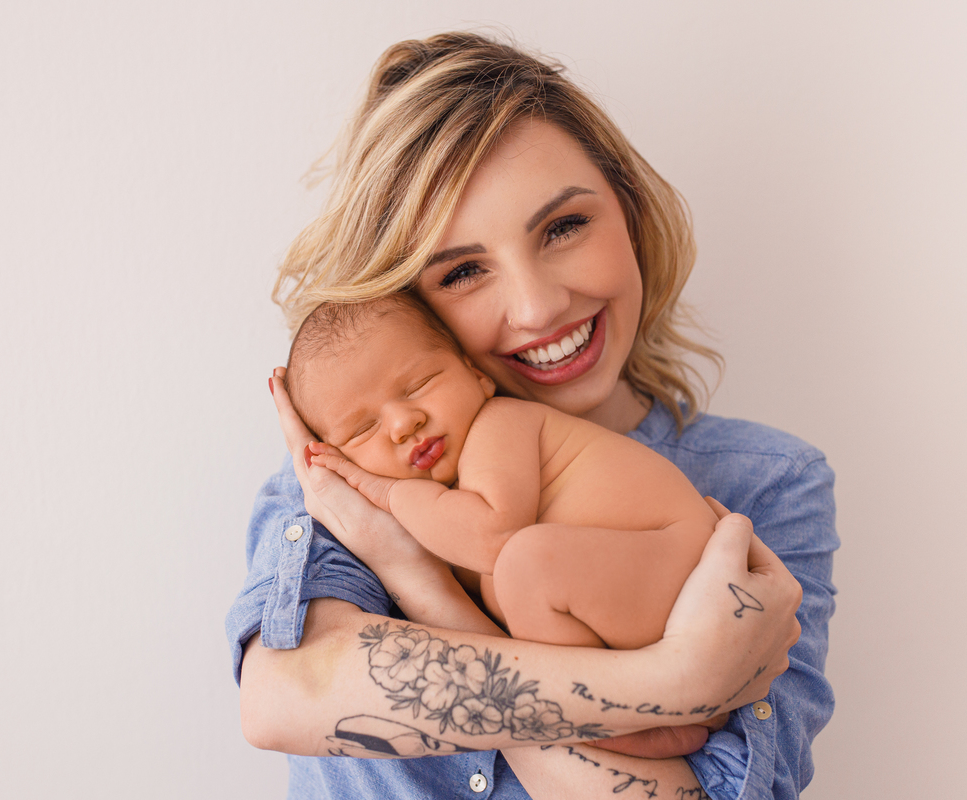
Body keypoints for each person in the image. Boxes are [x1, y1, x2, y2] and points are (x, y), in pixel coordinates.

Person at [228, 31, 837, 799]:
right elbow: (289, 696)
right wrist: (676, 680)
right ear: (411, 306)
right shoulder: (350, 468)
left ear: (629, 211)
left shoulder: (768, 484)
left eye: (563, 227)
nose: (538, 306)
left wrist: (420, 580)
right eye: (464, 271)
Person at [288, 292, 725, 652]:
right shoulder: (439, 512)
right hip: (641, 601)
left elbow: (491, 538)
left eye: (419, 384)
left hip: (681, 565)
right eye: (364, 429)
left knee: (523, 564)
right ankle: (640, 714)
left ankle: (620, 710)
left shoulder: (499, 425)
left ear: (477, 375)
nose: (404, 424)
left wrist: (387, 494)